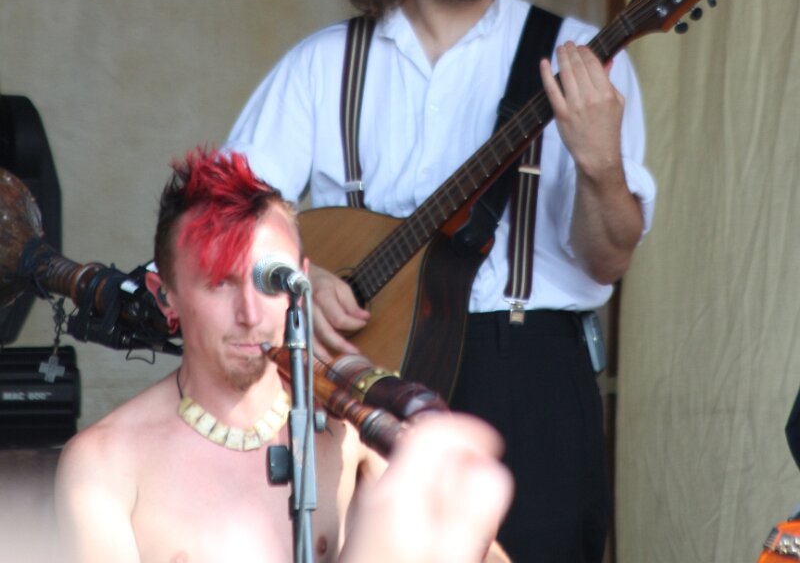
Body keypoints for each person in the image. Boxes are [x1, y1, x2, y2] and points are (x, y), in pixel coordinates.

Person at [225, 0, 657, 563]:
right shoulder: (323, 67)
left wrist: (600, 168)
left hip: (528, 372)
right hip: (361, 371)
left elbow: (607, 259)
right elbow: (222, 212)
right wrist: (298, 275)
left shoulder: (580, 58)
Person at [55, 146, 509, 563]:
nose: (250, 314)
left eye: (271, 280)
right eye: (220, 283)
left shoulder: (348, 430)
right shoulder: (103, 464)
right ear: (165, 295)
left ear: (302, 280)